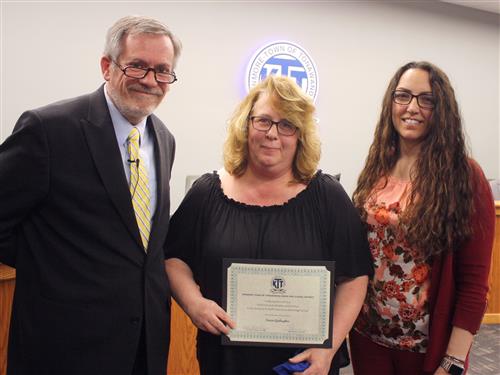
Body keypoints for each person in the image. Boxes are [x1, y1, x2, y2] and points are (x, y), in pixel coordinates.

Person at [0, 15, 181, 374]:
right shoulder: (49, 130)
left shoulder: (163, 139)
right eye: (138, 66)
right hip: (63, 347)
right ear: (107, 66)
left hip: (144, 348)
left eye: (163, 70)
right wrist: (49, 264)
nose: (150, 80)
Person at [165, 75, 373, 375]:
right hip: (225, 363)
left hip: (304, 365)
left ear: (300, 135)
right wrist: (193, 303)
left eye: (287, 124)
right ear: (246, 125)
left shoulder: (327, 197)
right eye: (263, 121)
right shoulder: (207, 192)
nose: (273, 134)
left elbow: (354, 277)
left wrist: (328, 349)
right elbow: (174, 258)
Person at [349, 61, 495, 375]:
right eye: (403, 96)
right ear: (391, 103)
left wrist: (453, 361)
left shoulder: (464, 176)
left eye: (426, 99)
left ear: (441, 109)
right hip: (368, 339)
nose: (412, 107)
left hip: (427, 350)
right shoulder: (377, 166)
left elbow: (474, 285)